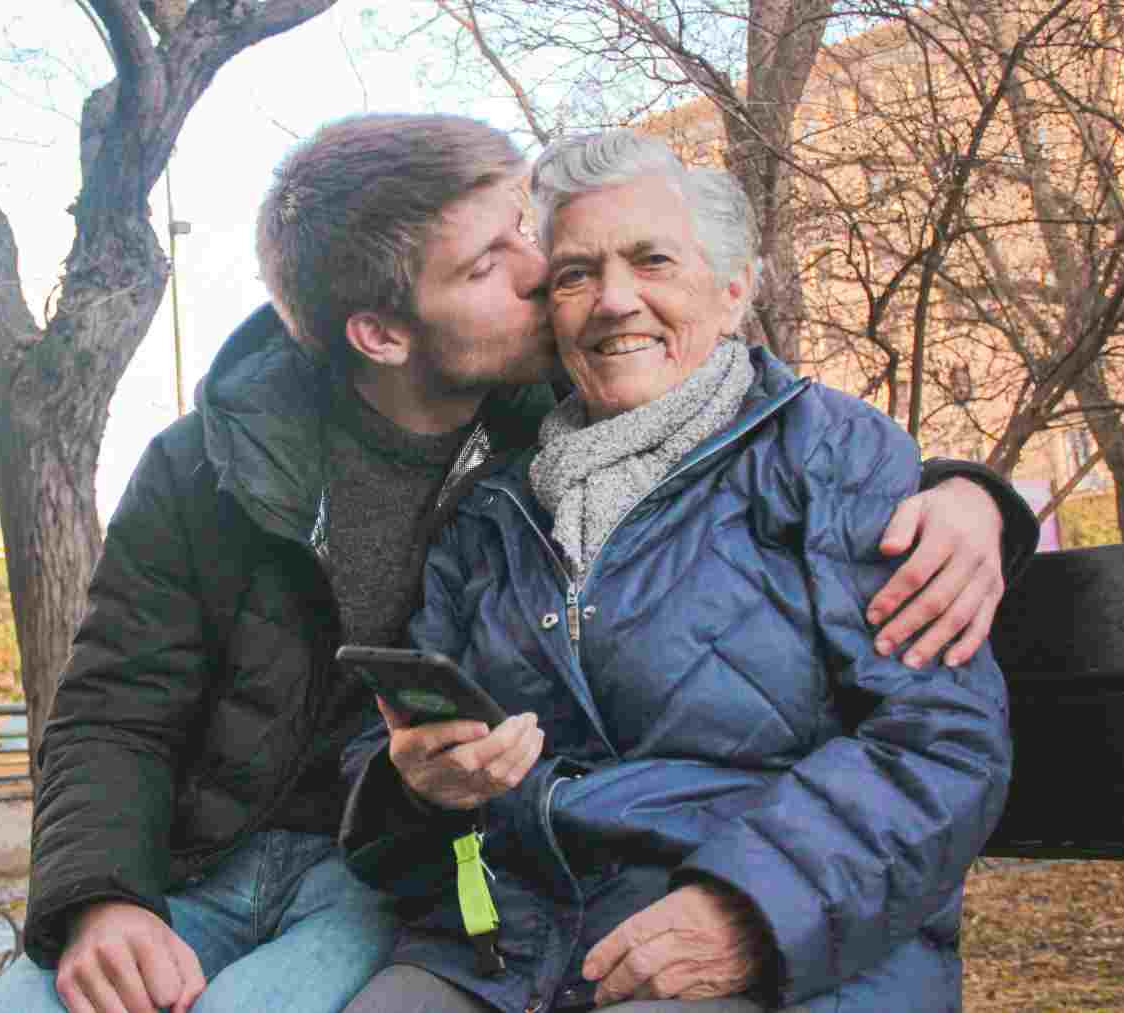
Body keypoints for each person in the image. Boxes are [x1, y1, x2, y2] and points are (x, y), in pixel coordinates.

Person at [0, 115, 1035, 1013]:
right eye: (506, 261)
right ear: (383, 333)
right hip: (252, 863)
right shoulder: (249, 471)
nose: (557, 279)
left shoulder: (585, 425)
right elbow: (114, 705)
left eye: (531, 234)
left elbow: (754, 425)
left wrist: (979, 497)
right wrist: (102, 894)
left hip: (443, 896)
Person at [338, 128, 1016, 1013]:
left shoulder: (829, 452)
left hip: (772, 935)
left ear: (733, 290)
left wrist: (750, 911)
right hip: (506, 948)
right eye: (576, 273)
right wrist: (414, 783)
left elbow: (938, 739)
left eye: (651, 260)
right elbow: (384, 740)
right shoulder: (492, 509)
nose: (613, 301)